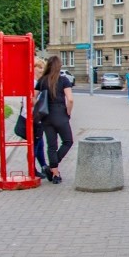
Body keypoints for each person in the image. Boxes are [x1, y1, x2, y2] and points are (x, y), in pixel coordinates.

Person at [37, 56, 74, 184]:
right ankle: (53, 168)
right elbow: (70, 99)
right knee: (68, 141)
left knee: (51, 145)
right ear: (59, 67)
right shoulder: (63, 80)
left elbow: (33, 98)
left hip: (46, 116)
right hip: (60, 114)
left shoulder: (42, 80)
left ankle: (55, 172)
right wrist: (68, 112)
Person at [32, 58, 48, 178]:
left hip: (37, 117)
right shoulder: (33, 83)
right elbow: (31, 101)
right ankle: (33, 168)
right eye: (39, 67)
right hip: (34, 117)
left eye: (43, 67)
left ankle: (43, 166)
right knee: (36, 143)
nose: (42, 70)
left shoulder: (39, 82)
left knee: (40, 143)